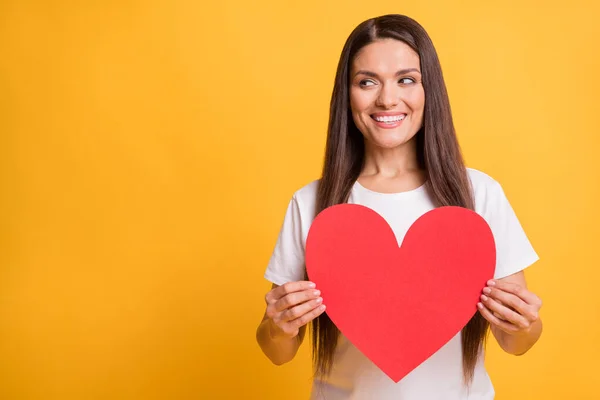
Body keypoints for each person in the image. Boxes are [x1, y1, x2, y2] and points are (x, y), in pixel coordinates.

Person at [255, 14, 543, 400]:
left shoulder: (478, 195)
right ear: (348, 94)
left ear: (429, 91)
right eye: (367, 82)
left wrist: (524, 324)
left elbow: (516, 342)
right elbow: (277, 351)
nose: (387, 99)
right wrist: (279, 326)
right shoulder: (311, 204)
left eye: (406, 80)